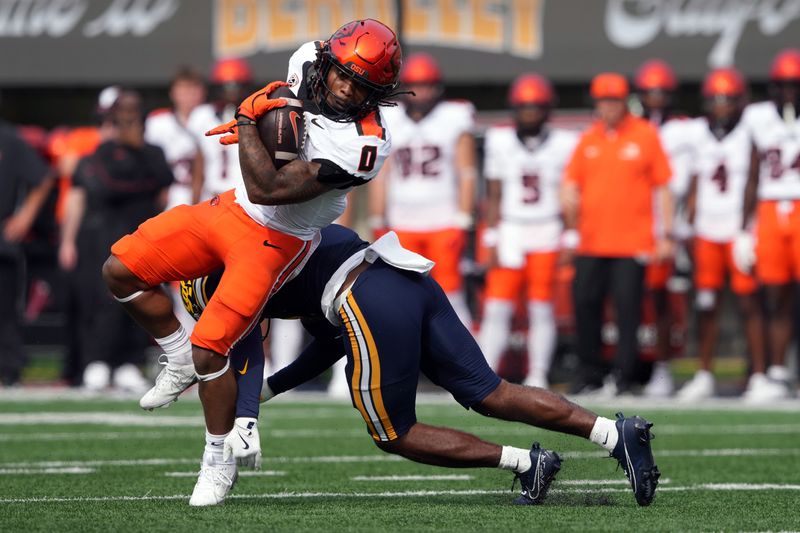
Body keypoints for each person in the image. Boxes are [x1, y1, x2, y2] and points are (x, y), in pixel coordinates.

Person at [102, 19, 403, 506]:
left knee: (212, 346)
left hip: (278, 237)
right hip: (231, 207)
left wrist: (247, 118)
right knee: (120, 270)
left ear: (380, 92)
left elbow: (271, 188)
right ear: (326, 62)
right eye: (343, 75)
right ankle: (174, 352)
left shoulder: (364, 144)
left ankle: (218, 459)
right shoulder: (307, 59)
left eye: (363, 84)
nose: (347, 89)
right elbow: (279, 99)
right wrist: (270, 103)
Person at [182, 224, 661, 508]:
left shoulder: (243, 279)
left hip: (365, 298)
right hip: (403, 275)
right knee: (490, 391)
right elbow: (332, 342)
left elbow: (247, 348)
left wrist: (250, 406)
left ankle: (526, 461)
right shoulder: (273, 237)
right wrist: (273, 389)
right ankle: (613, 433)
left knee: (394, 432)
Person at [561, 73, 674, 396]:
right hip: (591, 240)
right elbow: (570, 182)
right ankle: (590, 372)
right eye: (603, 101)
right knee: (585, 304)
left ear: (625, 102)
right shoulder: (589, 138)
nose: (608, 107)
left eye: (613, 101)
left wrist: (665, 234)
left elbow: (663, 187)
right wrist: (567, 201)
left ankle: (624, 375)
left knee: (628, 311)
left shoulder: (645, 135)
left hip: (632, 241)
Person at [60, 88, 174, 391]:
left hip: (141, 235)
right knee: (102, 301)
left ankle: (128, 362)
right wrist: (67, 240)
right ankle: (97, 361)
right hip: (104, 236)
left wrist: (139, 154)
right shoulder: (98, 154)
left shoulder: (152, 152)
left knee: (143, 299)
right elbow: (107, 186)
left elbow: (163, 179)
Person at [676, 68, 774, 402]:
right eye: (716, 100)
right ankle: (704, 374)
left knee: (750, 304)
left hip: (736, 231)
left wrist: (749, 227)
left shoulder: (749, 132)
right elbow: (692, 185)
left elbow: (755, 181)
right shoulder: (697, 133)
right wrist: (686, 227)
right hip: (706, 231)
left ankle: (759, 375)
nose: (722, 107)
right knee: (706, 306)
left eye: (728, 100)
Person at [478, 73, 578, 388]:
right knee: (496, 306)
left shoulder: (564, 144)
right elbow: (493, 191)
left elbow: (570, 193)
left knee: (541, 308)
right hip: (511, 229)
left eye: (535, 107)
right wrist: (491, 233)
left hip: (547, 229)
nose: (529, 113)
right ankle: (484, 372)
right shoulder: (500, 140)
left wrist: (571, 232)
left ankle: (538, 375)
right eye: (524, 107)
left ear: (547, 110)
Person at [369, 53, 477, 327]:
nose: (421, 93)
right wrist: (378, 220)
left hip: (443, 221)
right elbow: (382, 174)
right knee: (399, 296)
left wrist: (463, 220)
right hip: (402, 221)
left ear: (438, 88)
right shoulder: (389, 117)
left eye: (427, 85)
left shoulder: (454, 116)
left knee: (451, 295)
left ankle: (467, 365)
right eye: (416, 85)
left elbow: (467, 172)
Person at [736, 48, 800, 399]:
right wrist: (744, 228)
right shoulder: (758, 117)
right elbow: (752, 174)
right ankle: (776, 371)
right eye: (784, 85)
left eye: (795, 85)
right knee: (775, 296)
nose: (790, 92)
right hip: (771, 209)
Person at [634, 59, 694, 397]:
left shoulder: (685, 128)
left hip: (673, 227)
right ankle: (643, 367)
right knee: (639, 303)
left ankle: (666, 367)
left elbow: (681, 181)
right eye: (649, 92)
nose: (655, 98)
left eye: (661, 92)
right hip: (637, 227)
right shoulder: (634, 129)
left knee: (670, 302)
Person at [0, 120, 54, 386]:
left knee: (5, 309)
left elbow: (43, 176)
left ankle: (9, 370)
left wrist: (25, 216)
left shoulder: (8, 139)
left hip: (2, 238)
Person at [187, 57, 252, 200]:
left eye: (235, 86)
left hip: (243, 198)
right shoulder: (202, 115)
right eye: (226, 87)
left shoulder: (254, 117)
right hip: (211, 195)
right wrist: (194, 201)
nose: (231, 92)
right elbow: (198, 166)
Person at [145, 67, 206, 209]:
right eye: (183, 90)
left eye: (193, 89)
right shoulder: (158, 122)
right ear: (173, 93)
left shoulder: (212, 119)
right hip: (172, 192)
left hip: (207, 193)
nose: (189, 95)